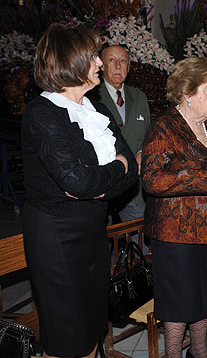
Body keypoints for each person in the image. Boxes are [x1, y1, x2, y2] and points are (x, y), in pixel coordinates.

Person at [21, 23, 137, 358]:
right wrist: (115, 169)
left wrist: (103, 179)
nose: (100, 63)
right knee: (65, 338)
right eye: (93, 58)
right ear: (70, 61)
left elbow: (131, 170)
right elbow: (79, 181)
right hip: (57, 238)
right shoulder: (41, 113)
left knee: (89, 329)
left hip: (91, 233)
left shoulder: (96, 109)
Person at [142, 57, 207, 358]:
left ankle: (199, 350)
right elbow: (152, 180)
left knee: (204, 296)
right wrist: (206, 177)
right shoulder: (164, 129)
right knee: (179, 301)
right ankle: (172, 355)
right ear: (187, 93)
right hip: (174, 234)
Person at [95, 44, 151, 221]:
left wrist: (143, 152)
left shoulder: (139, 97)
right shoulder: (91, 97)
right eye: (112, 60)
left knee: (138, 240)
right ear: (101, 65)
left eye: (123, 61)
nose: (118, 66)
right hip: (103, 185)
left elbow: (150, 135)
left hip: (134, 187)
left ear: (129, 67)